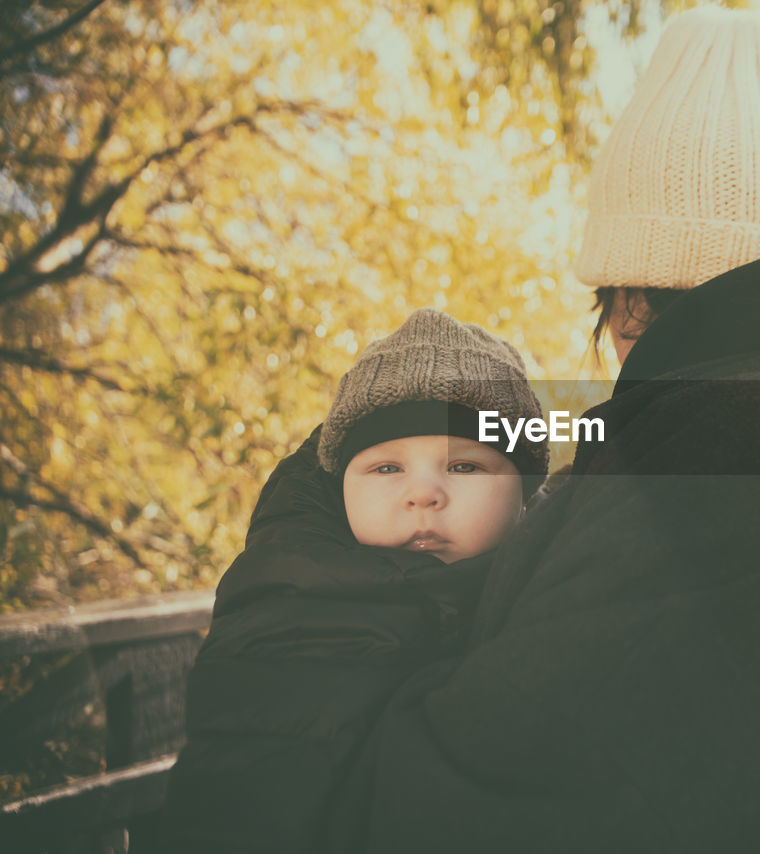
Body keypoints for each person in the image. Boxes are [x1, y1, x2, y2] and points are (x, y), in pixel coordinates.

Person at [314, 8, 760, 853]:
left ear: (637, 301)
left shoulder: (753, 451)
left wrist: (306, 533)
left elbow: (459, 808)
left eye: (622, 294)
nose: (615, 327)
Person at [151, 309, 548, 853]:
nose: (423, 493)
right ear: (341, 488)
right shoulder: (284, 599)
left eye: (465, 467)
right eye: (387, 468)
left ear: (525, 496)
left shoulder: (556, 603)